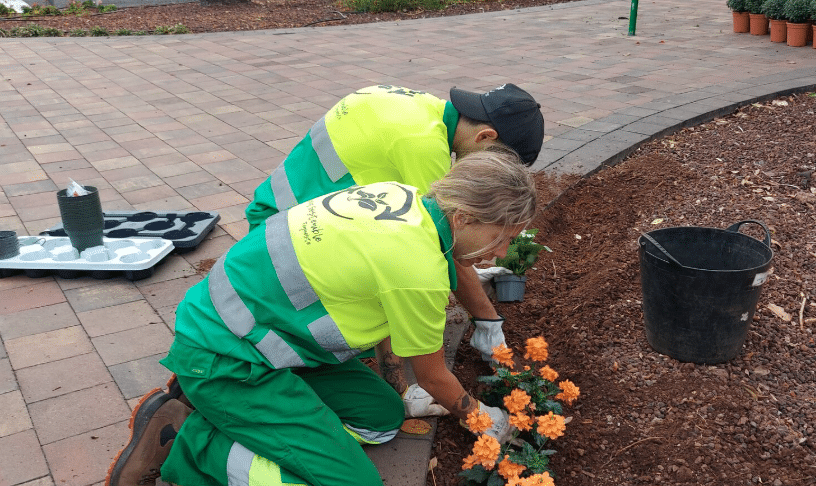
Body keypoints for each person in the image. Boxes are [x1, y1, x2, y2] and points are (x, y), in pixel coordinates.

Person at [106, 151, 537, 486]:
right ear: (463, 218)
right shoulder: (417, 270)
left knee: (382, 418)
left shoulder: (400, 196)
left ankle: (237, 414)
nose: (500, 253)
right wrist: (485, 418)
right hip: (228, 359)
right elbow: (432, 376)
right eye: (502, 237)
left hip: (252, 334)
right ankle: (189, 443)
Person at [245, 83, 546, 362]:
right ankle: (393, 385)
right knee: (402, 277)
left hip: (279, 212)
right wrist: (487, 320)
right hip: (286, 249)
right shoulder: (423, 148)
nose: (491, 173)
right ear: (485, 137)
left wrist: (469, 268)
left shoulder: (421, 107)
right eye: (495, 162)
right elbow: (440, 238)